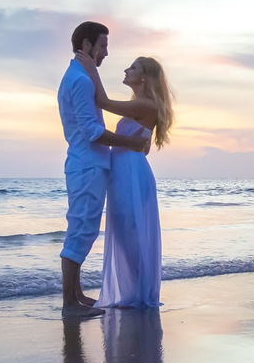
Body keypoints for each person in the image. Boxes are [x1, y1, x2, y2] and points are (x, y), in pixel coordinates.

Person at [58, 22, 150, 317]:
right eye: (103, 46)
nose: (106, 53)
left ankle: (76, 294)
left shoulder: (77, 76)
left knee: (81, 227)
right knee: (82, 230)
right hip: (87, 164)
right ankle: (69, 304)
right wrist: (129, 143)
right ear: (86, 45)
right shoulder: (81, 81)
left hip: (84, 163)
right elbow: (92, 131)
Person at [76, 52, 173, 308]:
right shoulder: (143, 105)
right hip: (126, 172)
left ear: (144, 77)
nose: (126, 71)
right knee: (125, 234)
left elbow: (103, 101)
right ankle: (134, 293)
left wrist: (90, 69)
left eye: (132, 68)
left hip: (131, 175)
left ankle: (138, 295)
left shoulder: (146, 105)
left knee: (130, 234)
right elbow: (143, 145)